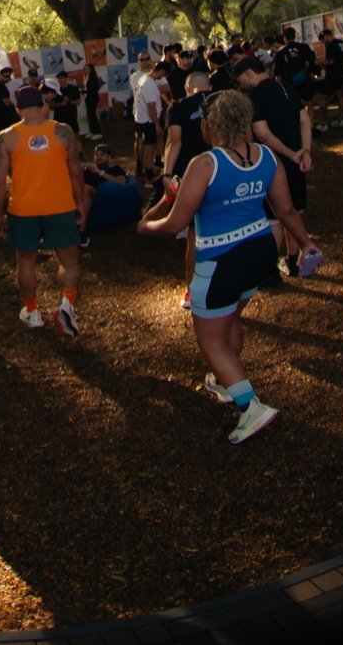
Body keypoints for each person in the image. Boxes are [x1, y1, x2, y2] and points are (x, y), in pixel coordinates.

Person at [138, 86, 310, 445]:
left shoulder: (204, 164)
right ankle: (223, 380)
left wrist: (146, 226)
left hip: (219, 261)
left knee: (211, 341)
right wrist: (306, 243)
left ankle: (250, 406)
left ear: (209, 125)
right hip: (260, 252)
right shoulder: (267, 156)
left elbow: (175, 223)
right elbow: (286, 209)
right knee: (229, 318)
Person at [0, 85, 87, 337]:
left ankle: (32, 311)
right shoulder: (63, 131)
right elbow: (76, 171)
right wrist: (80, 203)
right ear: (43, 106)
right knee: (69, 260)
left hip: (23, 209)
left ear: (17, 109)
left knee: (25, 260)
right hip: (60, 206)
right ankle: (67, 304)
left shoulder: (7, 136)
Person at [236, 54, 323, 276]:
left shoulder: (255, 97)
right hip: (296, 163)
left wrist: (292, 155)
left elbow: (263, 135)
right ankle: (292, 260)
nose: (240, 85)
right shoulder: (287, 88)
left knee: (273, 218)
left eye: (240, 80)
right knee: (293, 211)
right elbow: (305, 120)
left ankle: (269, 270)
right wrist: (304, 152)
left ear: (248, 75)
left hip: (272, 164)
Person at [130, 53, 166, 187]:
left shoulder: (148, 78)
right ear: (138, 62)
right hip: (143, 115)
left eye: (147, 59)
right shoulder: (136, 77)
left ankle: (150, 168)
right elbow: (150, 102)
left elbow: (166, 87)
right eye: (142, 59)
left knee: (151, 143)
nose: (145, 61)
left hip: (150, 115)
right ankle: (143, 169)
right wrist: (156, 124)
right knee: (143, 143)